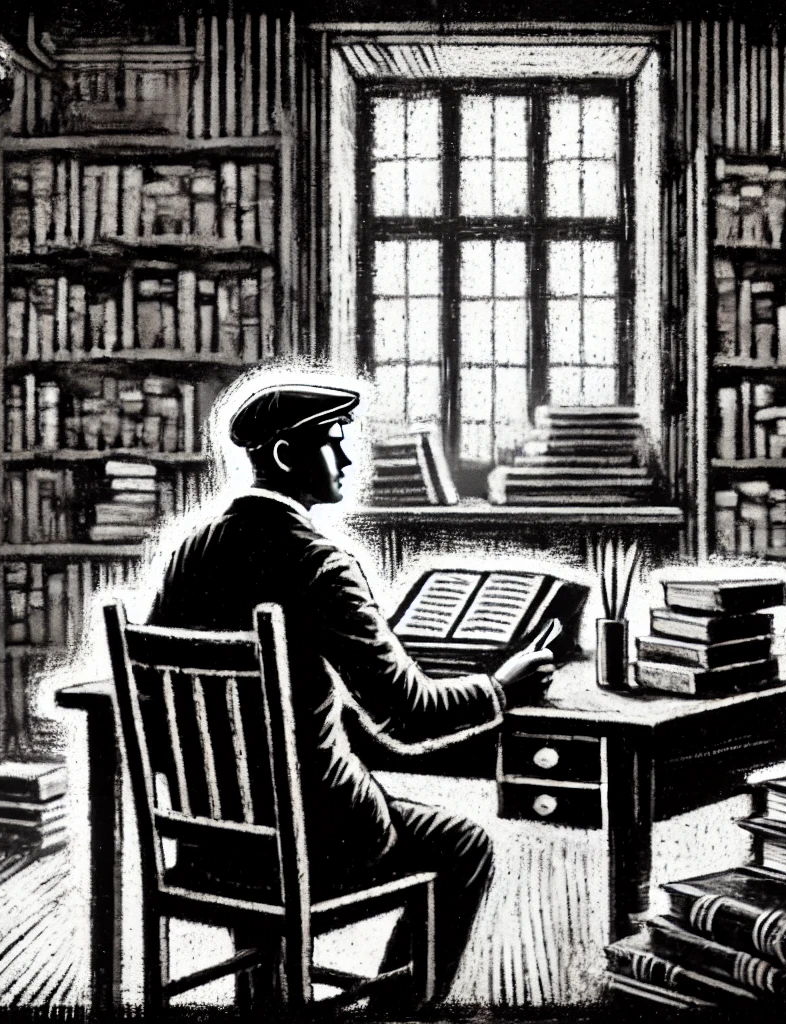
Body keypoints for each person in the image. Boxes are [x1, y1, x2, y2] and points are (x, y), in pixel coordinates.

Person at [147, 382, 556, 1004]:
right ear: (286, 455)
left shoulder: (188, 553)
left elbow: (156, 713)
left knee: (269, 812)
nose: (346, 460)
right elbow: (409, 717)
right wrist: (499, 689)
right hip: (321, 842)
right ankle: (393, 1014)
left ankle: (266, 1003)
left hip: (212, 844)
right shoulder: (319, 562)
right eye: (334, 444)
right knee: (464, 844)